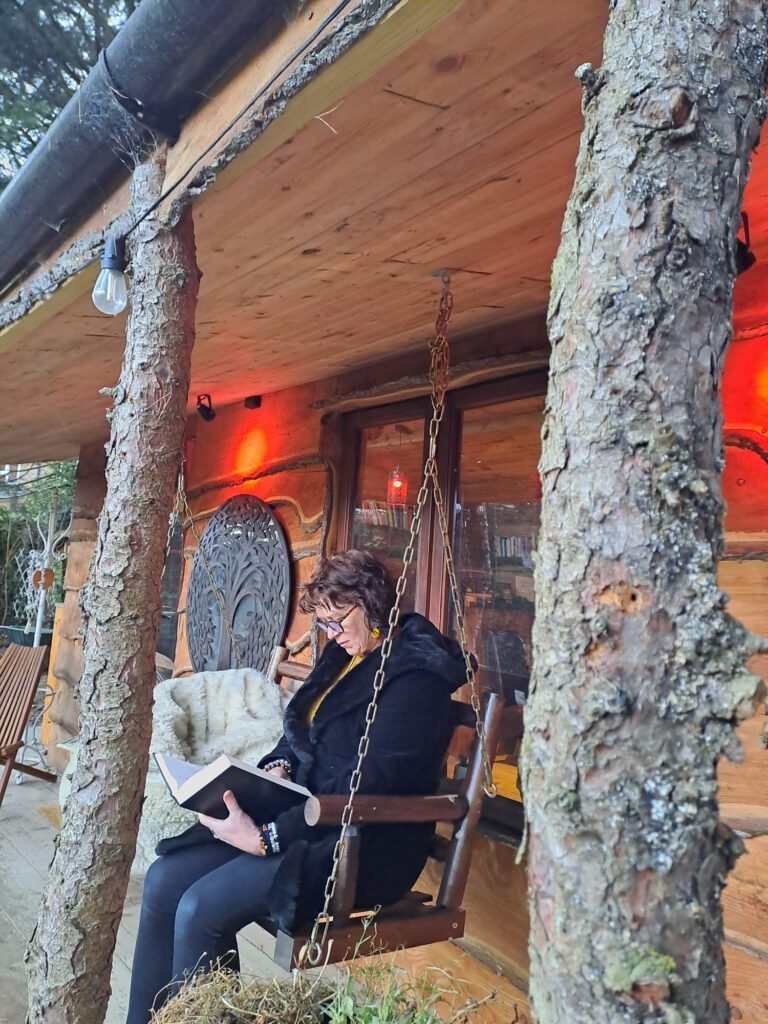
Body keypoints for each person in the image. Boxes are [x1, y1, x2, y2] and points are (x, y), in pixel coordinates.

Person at [126, 549, 469, 1024]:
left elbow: (376, 783)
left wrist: (267, 838)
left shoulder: (416, 678)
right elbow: (298, 732)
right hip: (299, 816)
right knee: (164, 882)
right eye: (323, 622)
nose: (330, 633)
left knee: (201, 908)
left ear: (371, 604)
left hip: (358, 843)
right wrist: (279, 767)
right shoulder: (344, 654)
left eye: (337, 618)